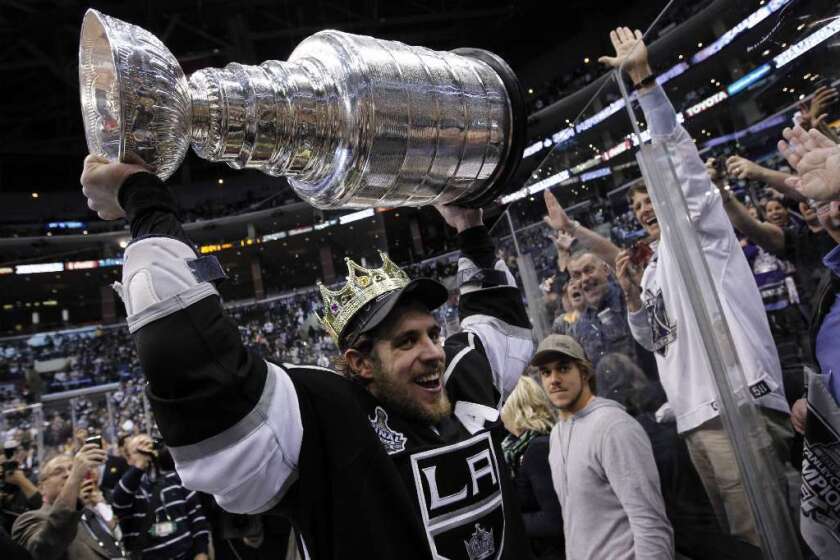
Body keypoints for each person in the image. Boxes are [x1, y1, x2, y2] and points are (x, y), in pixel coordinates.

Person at [79, 151, 535, 559]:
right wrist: (144, 201)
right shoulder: (328, 416)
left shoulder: (462, 378)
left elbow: (496, 322)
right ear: (358, 364)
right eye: (406, 341)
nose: (433, 352)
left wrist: (469, 227)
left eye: (434, 333)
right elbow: (201, 372)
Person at [604, 26, 793, 546]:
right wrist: (634, 297)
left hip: (736, 403)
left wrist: (644, 83)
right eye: (637, 207)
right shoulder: (654, 265)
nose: (646, 210)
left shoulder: (703, 233)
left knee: (766, 539)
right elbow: (654, 339)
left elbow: (683, 169)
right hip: (695, 417)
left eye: (652, 200)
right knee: (739, 540)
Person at [534, 334, 673, 559]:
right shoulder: (557, 433)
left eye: (563, 368)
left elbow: (651, 523)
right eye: (546, 372)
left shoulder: (614, 427)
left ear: (585, 372)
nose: (554, 379)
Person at [11, 444, 124, 560]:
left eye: (72, 469)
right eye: (58, 471)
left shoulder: (91, 513)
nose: (68, 474)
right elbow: (42, 551)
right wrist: (75, 477)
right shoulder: (30, 519)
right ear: (41, 487)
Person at [111, 434, 209, 560]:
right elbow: (119, 501)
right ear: (129, 460)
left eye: (149, 445)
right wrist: (141, 463)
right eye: (138, 451)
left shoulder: (176, 479)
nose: (146, 451)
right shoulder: (128, 488)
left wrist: (201, 553)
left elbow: (197, 517)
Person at [500, 377, 563, 560]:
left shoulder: (538, 449)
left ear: (512, 406)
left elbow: (554, 520)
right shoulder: (514, 447)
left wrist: (506, 523)